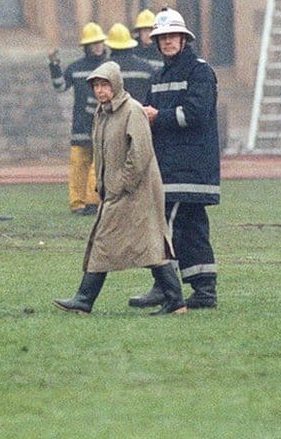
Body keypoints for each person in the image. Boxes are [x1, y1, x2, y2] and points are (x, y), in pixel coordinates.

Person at [52, 61, 186, 316]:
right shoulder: (103, 113)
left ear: (116, 85)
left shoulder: (132, 111)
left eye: (105, 85)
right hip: (117, 191)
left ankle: (84, 299)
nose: (101, 91)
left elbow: (140, 152)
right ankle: (175, 300)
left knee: (109, 241)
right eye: (96, 86)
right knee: (148, 244)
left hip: (136, 191)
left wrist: (121, 184)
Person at [130, 7, 220, 310]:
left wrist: (158, 117)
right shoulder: (158, 75)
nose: (167, 42)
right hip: (169, 166)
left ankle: (164, 286)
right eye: (163, 37)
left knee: (162, 225)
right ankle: (205, 291)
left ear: (184, 39)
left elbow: (195, 114)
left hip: (190, 166)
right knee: (192, 228)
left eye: (173, 36)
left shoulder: (200, 71)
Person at [49, 22, 107, 215]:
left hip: (102, 124)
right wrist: (54, 66)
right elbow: (60, 86)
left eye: (100, 43)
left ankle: (92, 202)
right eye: (94, 43)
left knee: (97, 165)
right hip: (81, 125)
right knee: (78, 165)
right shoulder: (76, 67)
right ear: (86, 46)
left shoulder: (109, 67)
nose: (98, 47)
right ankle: (77, 204)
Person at [104, 22, 155, 104]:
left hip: (113, 115)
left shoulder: (104, 68)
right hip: (141, 114)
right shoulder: (146, 68)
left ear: (110, 45)